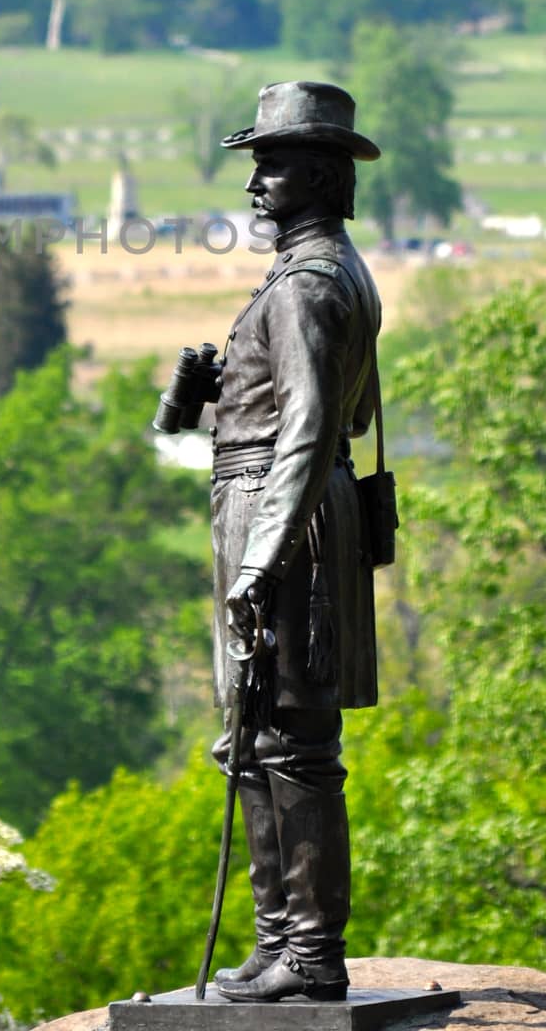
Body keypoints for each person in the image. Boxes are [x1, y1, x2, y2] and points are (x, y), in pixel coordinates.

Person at [208, 81, 383, 1004]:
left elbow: (315, 425)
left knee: (291, 742)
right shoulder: (322, 274)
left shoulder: (308, 283)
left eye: (269, 167)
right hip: (282, 510)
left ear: (318, 176)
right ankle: (276, 939)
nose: (254, 186)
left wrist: (256, 558)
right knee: (255, 732)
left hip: (284, 518)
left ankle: (308, 952)